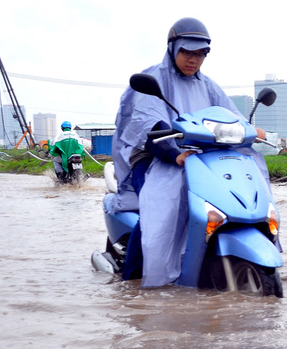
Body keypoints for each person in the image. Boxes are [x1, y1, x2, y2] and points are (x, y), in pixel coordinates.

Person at [110, 17, 269, 288]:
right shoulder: (152, 80)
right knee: (158, 209)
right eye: (187, 52)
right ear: (173, 48)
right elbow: (151, 126)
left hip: (201, 155)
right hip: (152, 156)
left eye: (200, 54)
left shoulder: (208, 86)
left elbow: (233, 117)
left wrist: (254, 130)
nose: (193, 59)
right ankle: (134, 279)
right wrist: (173, 154)